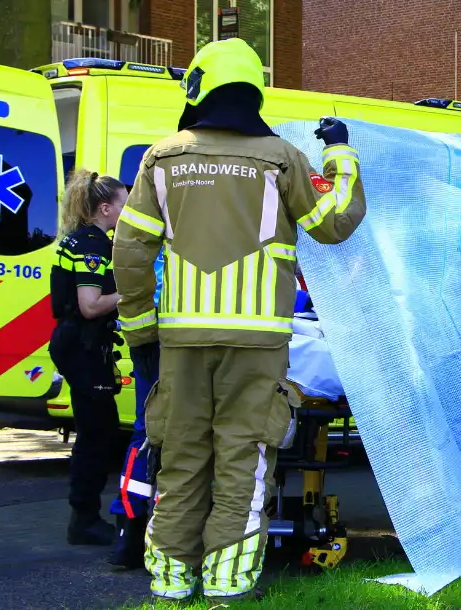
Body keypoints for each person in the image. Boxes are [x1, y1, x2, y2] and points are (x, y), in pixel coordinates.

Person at [112, 37, 367, 600]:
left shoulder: (162, 157)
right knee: (243, 457)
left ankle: (173, 582)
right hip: (258, 342)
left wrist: (139, 330)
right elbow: (335, 221)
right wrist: (341, 154)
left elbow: (129, 253)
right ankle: (228, 583)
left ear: (200, 86)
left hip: (180, 340)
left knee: (179, 456)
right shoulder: (281, 158)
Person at [48, 169, 128, 544]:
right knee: (97, 434)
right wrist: (138, 293)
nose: (127, 212)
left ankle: (84, 514)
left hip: (79, 343)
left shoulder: (83, 240)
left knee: (97, 431)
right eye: (123, 205)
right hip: (81, 344)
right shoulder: (92, 245)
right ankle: (84, 519)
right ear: (104, 208)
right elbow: (91, 305)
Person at [106, 249, 163, 569]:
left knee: (145, 429)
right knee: (183, 431)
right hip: (181, 338)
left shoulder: (149, 209)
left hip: (144, 334)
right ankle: (160, 533)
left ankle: (129, 528)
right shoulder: (194, 211)